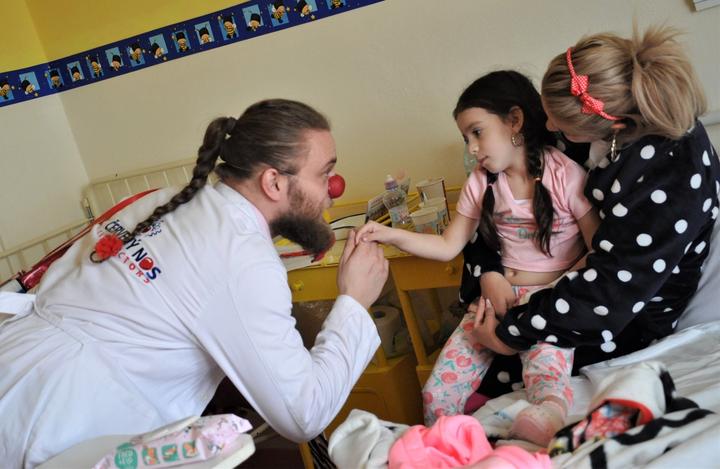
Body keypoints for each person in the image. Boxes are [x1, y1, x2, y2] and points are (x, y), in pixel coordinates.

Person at [0, 99, 389, 468]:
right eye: (324, 173)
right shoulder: (244, 259)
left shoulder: (158, 201)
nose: (333, 187)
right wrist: (354, 302)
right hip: (62, 423)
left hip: (13, 366)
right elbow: (302, 414)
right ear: (273, 182)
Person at [468, 25, 719, 427]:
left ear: (613, 127)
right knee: (473, 344)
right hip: (554, 282)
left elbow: (611, 292)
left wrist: (511, 333)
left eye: (559, 124)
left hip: (626, 315)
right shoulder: (584, 137)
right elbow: (488, 211)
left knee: (502, 367)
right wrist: (489, 270)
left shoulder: (672, 173)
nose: (550, 130)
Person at [356, 70, 600, 445]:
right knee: (436, 394)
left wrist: (558, 290)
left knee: (547, 382)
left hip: (546, 302)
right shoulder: (481, 182)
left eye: (477, 132)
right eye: (465, 138)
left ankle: (538, 438)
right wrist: (389, 234)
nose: (471, 148)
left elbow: (599, 249)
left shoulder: (565, 176)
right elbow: (447, 245)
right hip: (491, 305)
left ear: (514, 121)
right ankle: (448, 452)